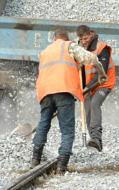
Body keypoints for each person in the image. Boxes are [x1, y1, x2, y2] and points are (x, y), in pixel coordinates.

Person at [31, 28, 106, 174]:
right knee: (67, 129)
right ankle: (62, 167)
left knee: (43, 123)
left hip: (45, 91)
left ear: (54, 38)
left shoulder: (45, 51)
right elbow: (90, 58)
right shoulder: (69, 46)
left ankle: (35, 160)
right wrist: (101, 72)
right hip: (64, 91)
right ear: (66, 38)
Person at [77, 24, 114, 152]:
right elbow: (79, 70)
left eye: (86, 39)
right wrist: (80, 88)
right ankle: (94, 141)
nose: (84, 42)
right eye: (81, 39)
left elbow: (101, 72)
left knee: (94, 103)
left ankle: (96, 138)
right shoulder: (78, 49)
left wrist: (86, 87)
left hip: (103, 83)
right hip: (88, 86)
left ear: (91, 35)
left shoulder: (101, 48)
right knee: (87, 109)